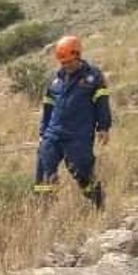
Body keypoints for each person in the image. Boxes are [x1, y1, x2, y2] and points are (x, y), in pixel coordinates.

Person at [33, 35, 112, 209]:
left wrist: (104, 127)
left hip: (78, 135)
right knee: (44, 165)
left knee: (81, 170)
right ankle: (43, 208)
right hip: (53, 133)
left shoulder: (93, 77)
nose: (66, 66)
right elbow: (48, 109)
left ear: (78, 55)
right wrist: (42, 133)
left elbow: (102, 103)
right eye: (63, 63)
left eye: (69, 61)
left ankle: (98, 202)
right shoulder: (55, 80)